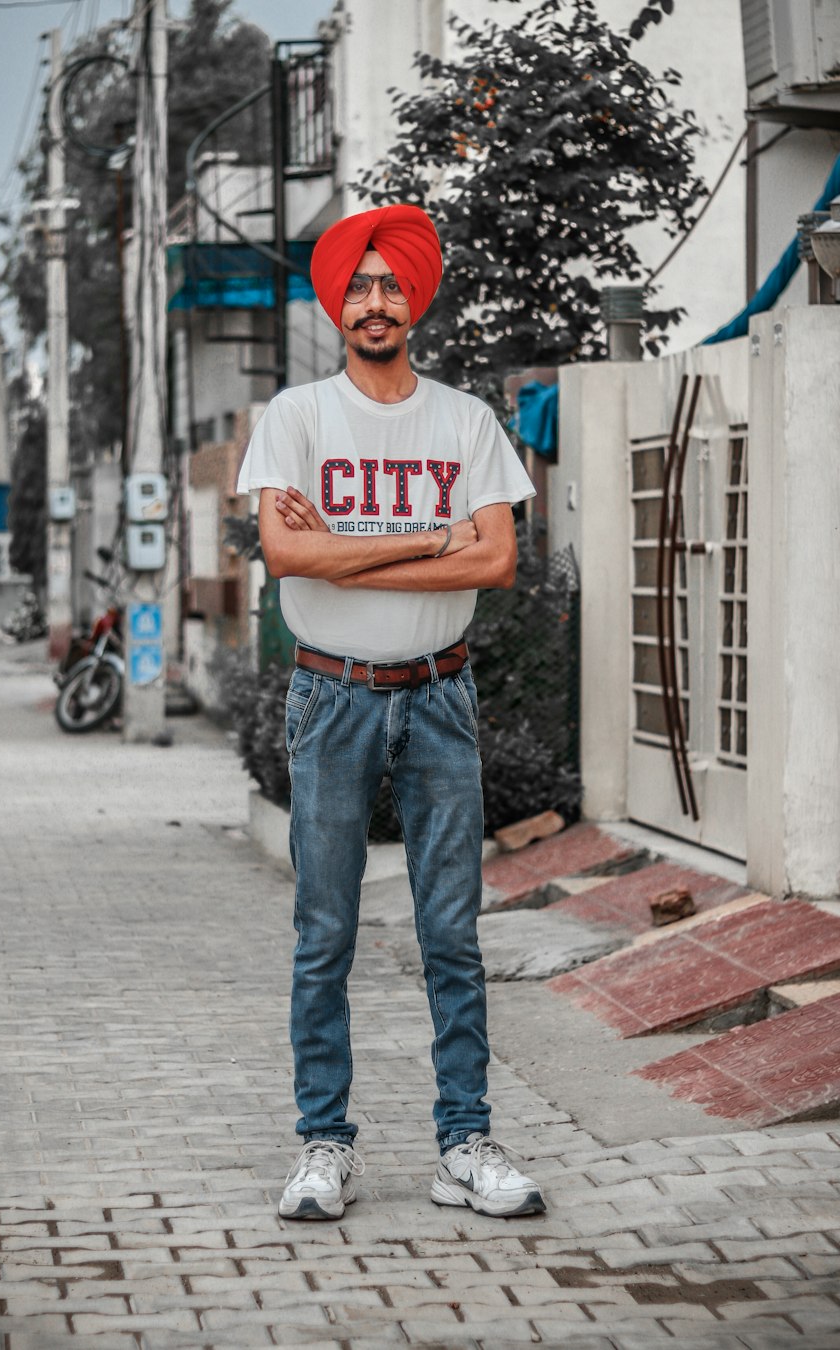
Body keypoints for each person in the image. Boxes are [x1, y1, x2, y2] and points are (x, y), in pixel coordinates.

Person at [236, 203, 545, 1221]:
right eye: (358, 285)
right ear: (337, 302)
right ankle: (323, 1146)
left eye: (390, 283)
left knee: (450, 932)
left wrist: (352, 543)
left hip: (442, 696)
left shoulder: (464, 421)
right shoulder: (297, 418)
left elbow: (495, 561)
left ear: (415, 296)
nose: (375, 300)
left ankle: (464, 1144)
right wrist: (427, 542)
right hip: (332, 698)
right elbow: (287, 556)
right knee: (324, 930)